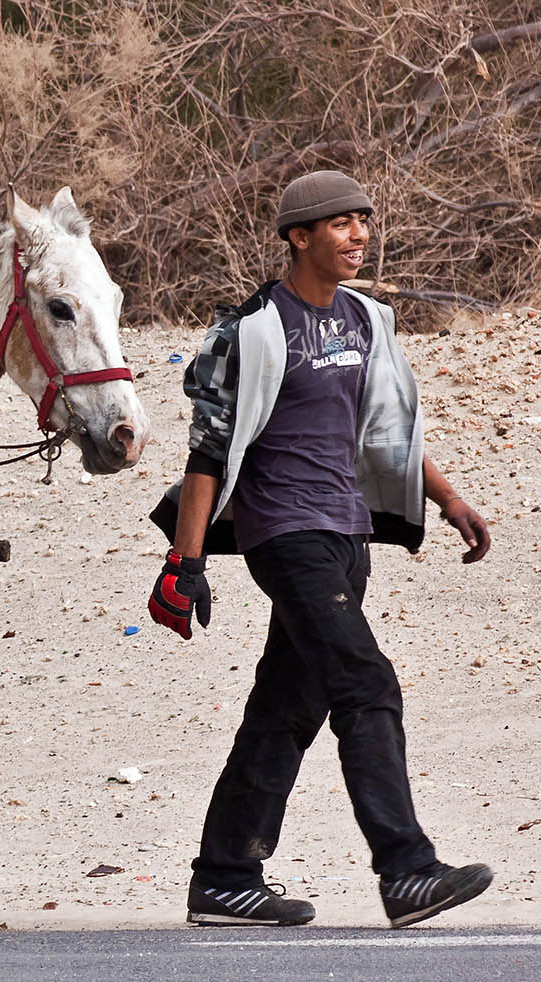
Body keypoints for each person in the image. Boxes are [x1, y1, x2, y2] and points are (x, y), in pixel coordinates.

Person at [147, 170, 493, 929]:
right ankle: (407, 870)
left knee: (286, 707)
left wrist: (449, 498)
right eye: (339, 223)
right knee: (365, 685)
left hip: (346, 531)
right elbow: (208, 454)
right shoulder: (252, 330)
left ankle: (224, 877)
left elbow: (387, 433)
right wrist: (185, 560)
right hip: (285, 532)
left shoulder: (368, 320)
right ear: (298, 236)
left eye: (363, 221)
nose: (358, 235)